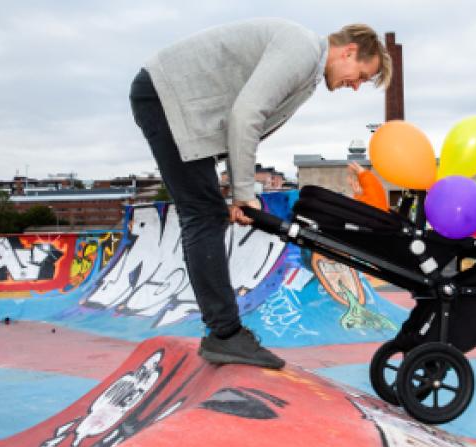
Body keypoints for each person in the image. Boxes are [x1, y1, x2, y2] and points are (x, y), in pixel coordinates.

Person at [129, 19, 392, 369]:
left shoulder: (308, 66)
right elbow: (247, 114)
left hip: (179, 107)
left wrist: (238, 188)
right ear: (350, 51)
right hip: (167, 99)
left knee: (205, 213)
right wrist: (241, 193)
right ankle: (225, 336)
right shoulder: (301, 50)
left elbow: (243, 115)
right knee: (204, 215)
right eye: (361, 75)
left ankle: (223, 333)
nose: (356, 86)